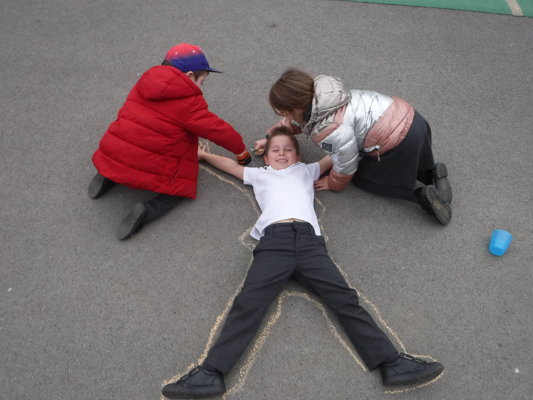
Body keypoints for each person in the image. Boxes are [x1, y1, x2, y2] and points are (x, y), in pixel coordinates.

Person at [161, 127, 444, 399]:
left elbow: (336, 153)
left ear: (298, 156)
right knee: (248, 303)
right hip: (275, 243)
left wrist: (352, 142)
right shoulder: (260, 175)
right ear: (266, 156)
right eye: (275, 150)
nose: (281, 153)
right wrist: (204, 156)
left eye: (288, 149)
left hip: (310, 245)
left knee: (345, 299)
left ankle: (393, 364)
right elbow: (231, 166)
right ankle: (211, 374)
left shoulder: (306, 171)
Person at [88, 43, 251, 240]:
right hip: (148, 162)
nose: (201, 87)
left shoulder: (145, 83)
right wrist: (241, 151)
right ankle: (145, 210)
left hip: (114, 151)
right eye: (202, 82)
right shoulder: (189, 103)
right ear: (190, 76)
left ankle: (106, 175)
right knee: (177, 189)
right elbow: (218, 130)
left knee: (128, 146)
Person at [255, 68, 452, 226]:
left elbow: (345, 165)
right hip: (410, 116)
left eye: (285, 113)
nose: (285, 117)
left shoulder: (328, 129)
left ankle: (421, 196)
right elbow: (295, 123)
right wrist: (271, 138)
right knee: (417, 154)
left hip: (398, 141)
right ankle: (432, 174)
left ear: (295, 108)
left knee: (364, 179)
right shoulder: (324, 94)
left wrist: (334, 184)